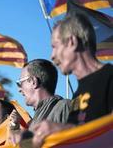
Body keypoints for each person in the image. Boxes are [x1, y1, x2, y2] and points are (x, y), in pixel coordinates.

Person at [31, 13, 113, 147]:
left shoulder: (109, 77)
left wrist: (63, 129)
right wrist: (25, 139)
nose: (52, 56)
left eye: (55, 46)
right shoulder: (78, 94)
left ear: (72, 42)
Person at [8, 59, 71, 145]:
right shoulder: (36, 119)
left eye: (20, 83)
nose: (19, 89)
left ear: (34, 81)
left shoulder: (64, 107)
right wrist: (14, 130)